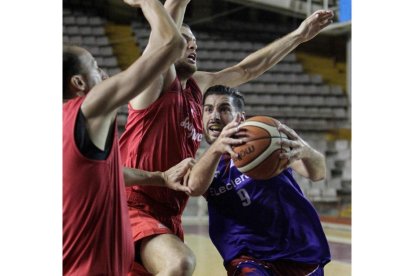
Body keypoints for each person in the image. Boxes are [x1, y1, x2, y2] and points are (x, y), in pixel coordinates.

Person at [119, 0, 334, 274]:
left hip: (168, 215)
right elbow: (165, 40)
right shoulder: (153, 85)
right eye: (185, 40)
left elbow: (247, 70)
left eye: (195, 42)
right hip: (132, 203)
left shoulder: (198, 90)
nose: (192, 45)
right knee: (180, 263)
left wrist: (299, 36)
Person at [62, 0, 189, 274]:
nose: (105, 73)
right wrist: (147, 1)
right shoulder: (88, 108)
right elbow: (170, 46)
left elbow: (109, 173)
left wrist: (158, 178)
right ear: (79, 84)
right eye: (95, 67)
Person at [186, 85, 331, 276]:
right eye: (208, 109)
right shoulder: (204, 163)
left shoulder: (268, 142)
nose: (214, 116)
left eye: (224, 109)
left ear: (240, 117)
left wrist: (306, 151)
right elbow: (194, 187)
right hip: (247, 256)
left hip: (297, 251)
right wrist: (217, 149)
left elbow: (318, 173)